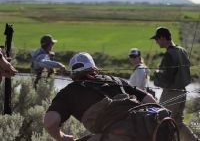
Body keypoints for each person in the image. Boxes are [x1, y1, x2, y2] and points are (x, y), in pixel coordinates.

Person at [44, 52, 179, 141]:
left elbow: (50, 124)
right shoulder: (115, 80)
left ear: (73, 75)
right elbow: (148, 98)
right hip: (146, 129)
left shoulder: (68, 93)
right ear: (94, 68)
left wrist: (62, 137)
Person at [151, 27, 199, 141]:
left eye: (157, 39)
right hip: (182, 91)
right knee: (178, 123)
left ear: (163, 38)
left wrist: (156, 74)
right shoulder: (182, 50)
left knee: (162, 121)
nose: (156, 42)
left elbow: (166, 79)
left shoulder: (169, 54)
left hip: (171, 93)